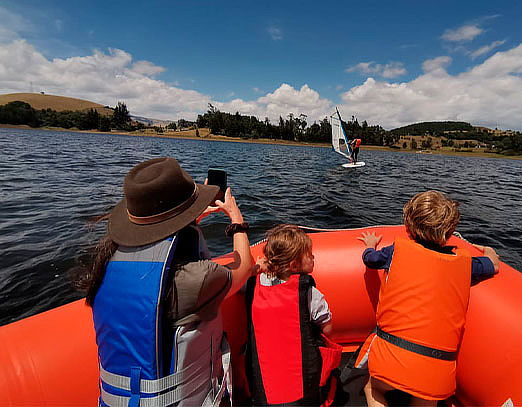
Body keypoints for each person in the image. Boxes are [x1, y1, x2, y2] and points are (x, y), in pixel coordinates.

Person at [71, 157, 254, 406]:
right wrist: (236, 219)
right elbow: (244, 268)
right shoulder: (194, 280)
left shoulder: (106, 261)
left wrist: (188, 217)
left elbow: (158, 242)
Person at [356, 191, 499, 407]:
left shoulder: (395, 252)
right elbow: (493, 266)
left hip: (391, 362)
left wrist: (369, 245)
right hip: (437, 373)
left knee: (372, 388)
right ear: (450, 230)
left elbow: (371, 260)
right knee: (425, 398)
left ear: (408, 225)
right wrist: (490, 253)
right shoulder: (465, 263)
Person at [245, 224, 341, 406]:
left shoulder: (252, 285)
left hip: (264, 385)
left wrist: (255, 269)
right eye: (309, 254)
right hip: (301, 383)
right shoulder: (309, 293)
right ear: (294, 265)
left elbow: (244, 279)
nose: (313, 257)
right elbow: (328, 329)